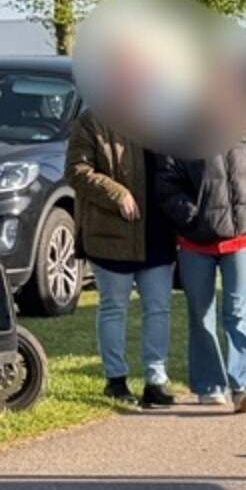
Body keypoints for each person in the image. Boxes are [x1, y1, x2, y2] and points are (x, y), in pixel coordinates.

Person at [68, 99, 176, 408]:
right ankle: (115, 380)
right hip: (112, 234)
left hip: (157, 231)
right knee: (114, 307)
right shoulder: (93, 120)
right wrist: (117, 193)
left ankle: (156, 380)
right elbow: (76, 171)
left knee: (158, 308)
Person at [159, 128, 246, 413]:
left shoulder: (240, 134)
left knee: (240, 310)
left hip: (239, 239)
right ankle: (210, 385)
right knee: (201, 315)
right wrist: (193, 218)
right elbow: (167, 186)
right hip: (196, 243)